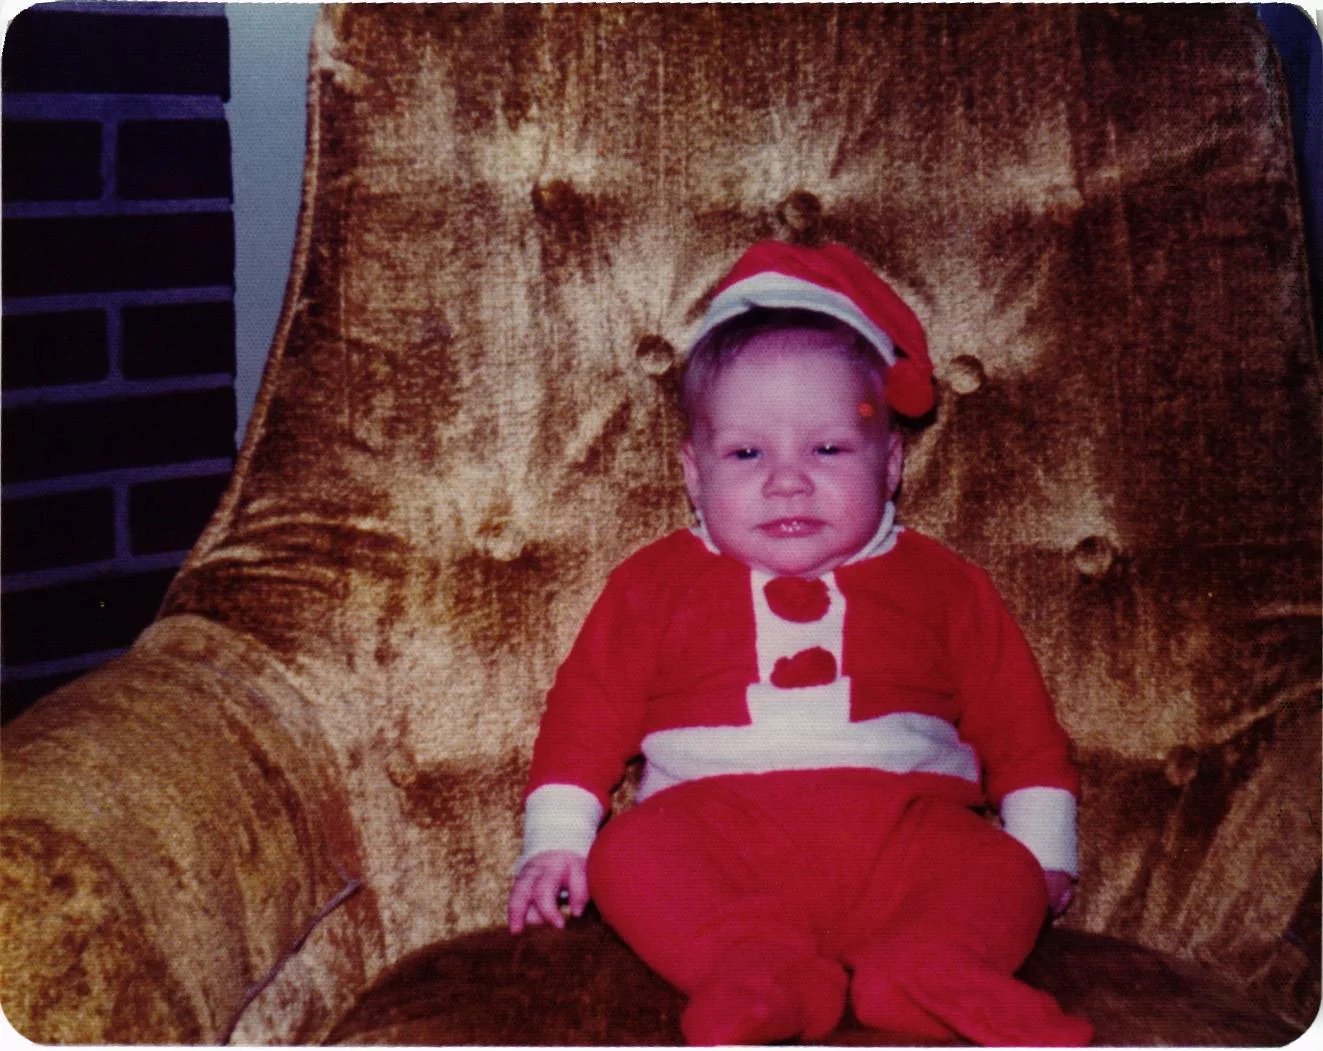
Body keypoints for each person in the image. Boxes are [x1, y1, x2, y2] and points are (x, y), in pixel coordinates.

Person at [507, 241, 1093, 1047]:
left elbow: (1020, 729)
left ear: (889, 462)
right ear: (693, 473)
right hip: (715, 833)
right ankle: (757, 969)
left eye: (828, 448)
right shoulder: (652, 582)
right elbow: (585, 718)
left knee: (998, 869)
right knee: (630, 853)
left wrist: (1044, 850)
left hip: (911, 834)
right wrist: (555, 841)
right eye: (746, 453)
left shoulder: (945, 583)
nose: (787, 480)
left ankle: (933, 966)